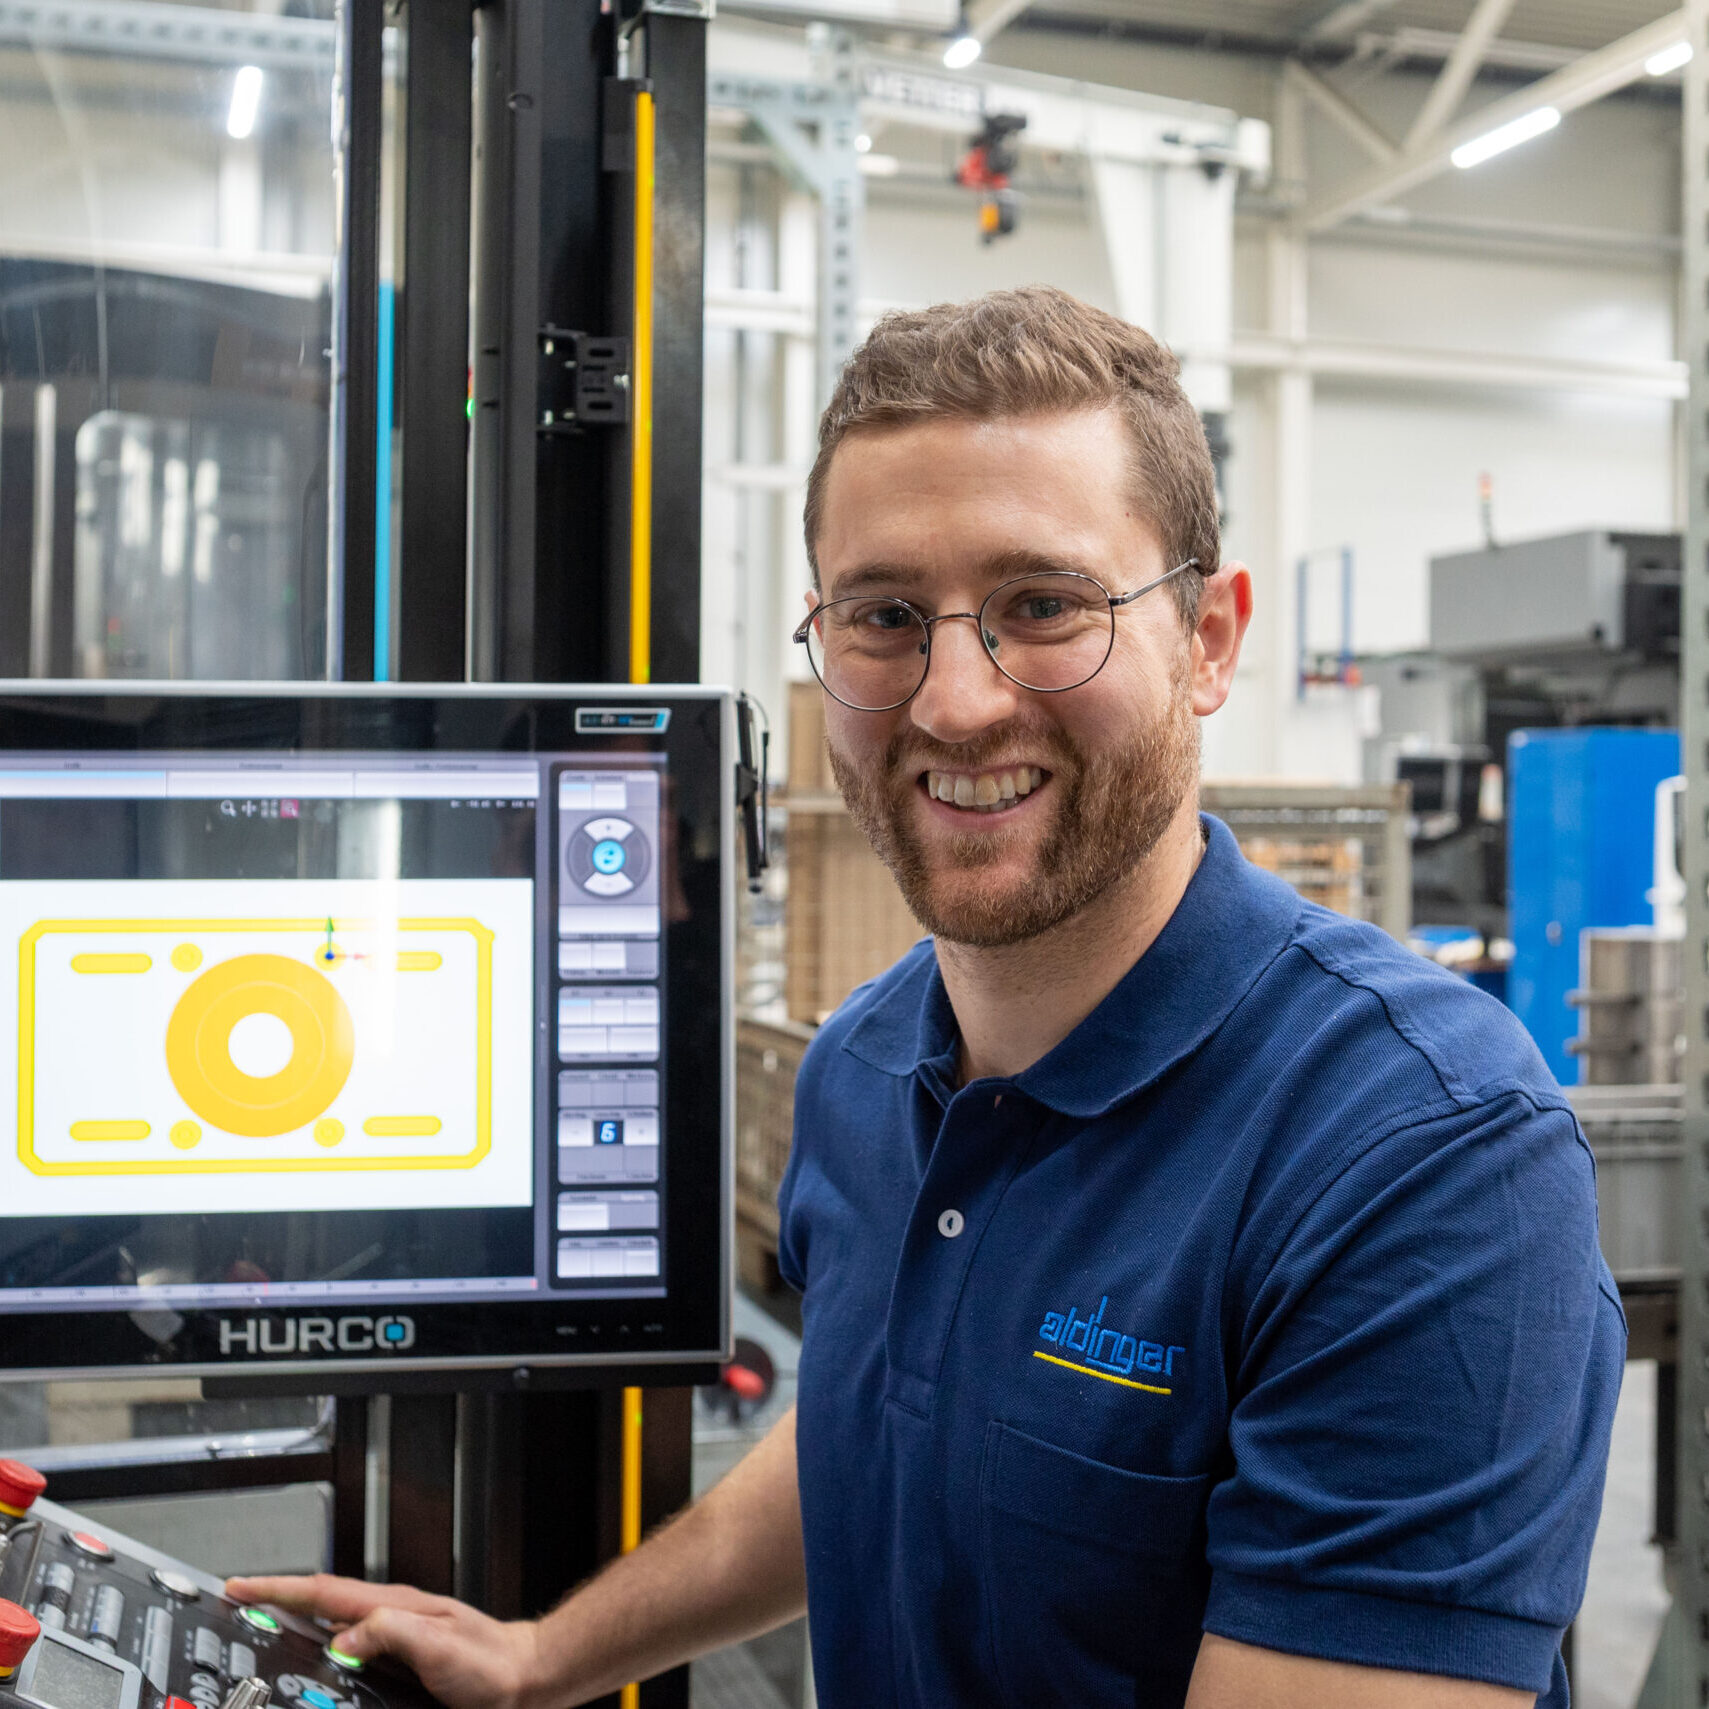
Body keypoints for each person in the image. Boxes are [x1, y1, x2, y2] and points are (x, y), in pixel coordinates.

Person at [230, 287, 1625, 1708]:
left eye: (1043, 605)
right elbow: (870, 1426)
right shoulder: (863, 1068)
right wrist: (546, 1656)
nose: (955, 700)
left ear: (1207, 640)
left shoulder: (1419, 1152)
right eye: (885, 614)